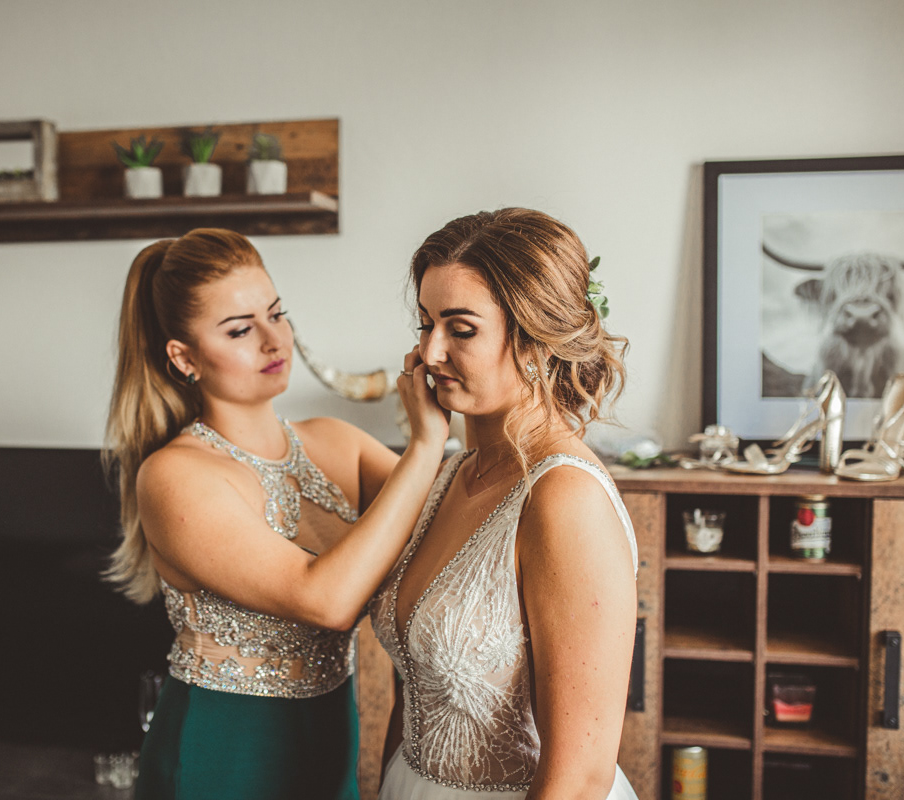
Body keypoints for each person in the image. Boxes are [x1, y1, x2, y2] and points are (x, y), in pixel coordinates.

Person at [102, 228, 449, 800]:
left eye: (277, 314)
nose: (274, 340)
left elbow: (459, 521)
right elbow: (326, 601)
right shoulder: (173, 476)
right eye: (240, 330)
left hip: (330, 733)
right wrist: (425, 443)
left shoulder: (337, 442)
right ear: (184, 357)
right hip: (224, 749)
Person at [369, 208, 640, 800]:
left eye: (461, 330)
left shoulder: (565, 498)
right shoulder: (448, 476)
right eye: (425, 324)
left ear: (537, 341)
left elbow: (580, 777)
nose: (430, 353)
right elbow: (414, 690)